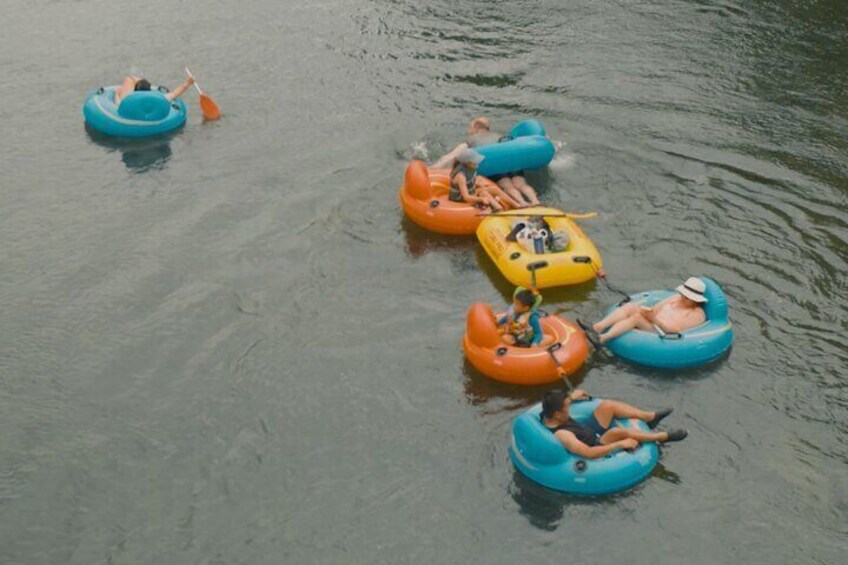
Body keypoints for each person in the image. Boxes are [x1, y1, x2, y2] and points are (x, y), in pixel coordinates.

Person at [541, 389, 687, 459]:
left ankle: (649, 417)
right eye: (567, 407)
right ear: (557, 414)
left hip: (588, 431)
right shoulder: (563, 435)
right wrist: (619, 445)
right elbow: (588, 453)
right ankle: (662, 436)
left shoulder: (548, 414)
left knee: (607, 406)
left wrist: (572, 397)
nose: (570, 408)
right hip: (595, 444)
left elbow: (558, 405)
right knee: (617, 432)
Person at [434, 116, 540, 207]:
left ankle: (523, 203)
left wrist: (433, 169)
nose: (468, 131)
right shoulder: (499, 135)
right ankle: (535, 201)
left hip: (495, 165)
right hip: (512, 160)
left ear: (475, 128)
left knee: (507, 185)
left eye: (470, 128)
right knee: (520, 184)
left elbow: (452, 156)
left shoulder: (471, 139)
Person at [588, 277, 709, 345]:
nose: (683, 298)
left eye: (686, 297)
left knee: (636, 318)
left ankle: (603, 338)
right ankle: (598, 327)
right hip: (653, 322)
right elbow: (656, 308)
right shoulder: (676, 299)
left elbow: (674, 330)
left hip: (663, 333)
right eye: (683, 295)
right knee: (631, 307)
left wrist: (653, 320)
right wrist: (648, 312)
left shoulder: (696, 314)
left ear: (695, 300)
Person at [449, 149, 518, 212]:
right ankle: (499, 210)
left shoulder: (470, 168)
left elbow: (470, 181)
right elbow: (466, 197)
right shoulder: (461, 176)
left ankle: (517, 205)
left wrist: (477, 184)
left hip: (471, 192)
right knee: (484, 193)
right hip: (460, 199)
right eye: (475, 162)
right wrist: (481, 199)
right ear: (468, 163)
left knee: (494, 189)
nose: (478, 163)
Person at [114, 74, 195, 106]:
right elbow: (174, 94)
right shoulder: (158, 100)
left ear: (135, 92)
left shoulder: (129, 102)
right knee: (132, 79)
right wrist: (187, 83)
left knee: (129, 79)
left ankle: (134, 79)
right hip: (153, 119)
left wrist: (117, 94)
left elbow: (119, 104)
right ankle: (135, 79)